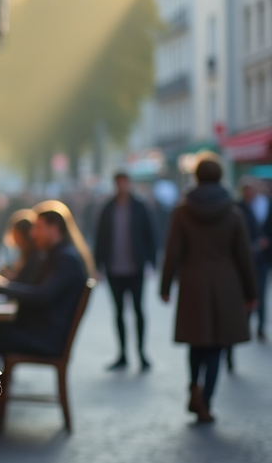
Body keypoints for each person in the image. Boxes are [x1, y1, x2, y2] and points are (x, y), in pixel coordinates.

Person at [159, 156, 256, 423]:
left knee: (196, 340)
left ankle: (193, 385)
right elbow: (243, 256)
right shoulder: (232, 212)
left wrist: (165, 286)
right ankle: (207, 400)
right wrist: (251, 293)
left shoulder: (183, 211)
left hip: (193, 282)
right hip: (225, 284)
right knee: (216, 345)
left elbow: (173, 251)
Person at [0, 202, 92, 369]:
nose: (33, 233)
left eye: (38, 227)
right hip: (39, 330)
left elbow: (41, 296)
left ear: (54, 228)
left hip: (45, 338)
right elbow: (32, 288)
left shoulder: (66, 259)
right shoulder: (57, 254)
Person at [94, 172, 158, 371]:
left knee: (138, 310)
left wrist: (151, 263)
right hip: (114, 269)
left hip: (136, 268)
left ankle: (141, 353)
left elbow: (151, 235)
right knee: (119, 312)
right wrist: (98, 266)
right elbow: (100, 238)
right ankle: (122, 353)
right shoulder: (108, 208)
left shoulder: (139, 207)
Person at [237, 176, 270, 342]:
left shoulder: (266, 204)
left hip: (262, 258)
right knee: (247, 294)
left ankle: (261, 327)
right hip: (245, 259)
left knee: (261, 293)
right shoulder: (237, 207)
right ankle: (246, 326)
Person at [0, 209, 39, 284]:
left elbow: (25, 282)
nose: (16, 241)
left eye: (16, 236)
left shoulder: (35, 256)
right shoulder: (25, 253)